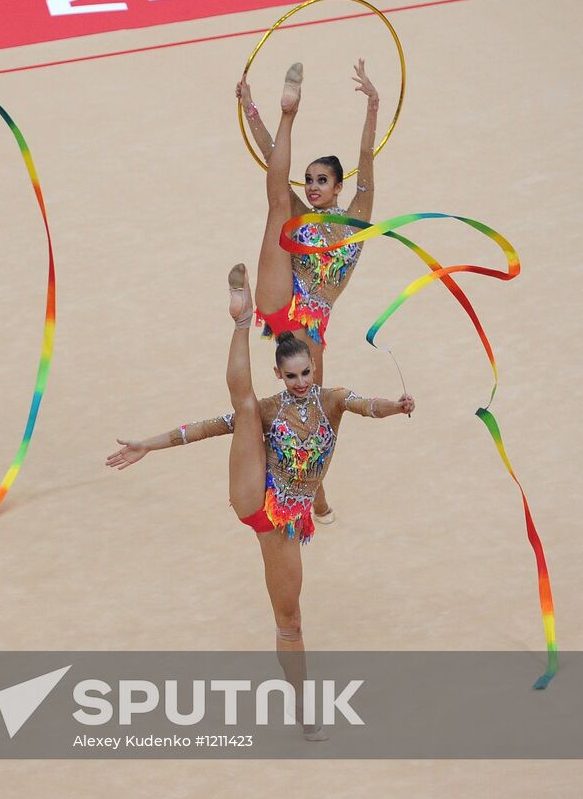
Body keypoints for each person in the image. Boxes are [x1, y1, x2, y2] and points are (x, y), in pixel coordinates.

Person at [106, 265, 413, 738]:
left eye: (306, 372)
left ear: (313, 365)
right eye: (290, 376)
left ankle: (302, 711)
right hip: (257, 497)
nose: (300, 382)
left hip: (282, 528)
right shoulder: (271, 408)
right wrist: (149, 443)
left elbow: (366, 405)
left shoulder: (331, 399)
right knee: (245, 407)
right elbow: (206, 427)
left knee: (290, 621)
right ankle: (241, 320)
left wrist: (396, 406)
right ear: (278, 373)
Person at [236, 59, 380, 521]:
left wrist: (374, 106)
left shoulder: (357, 219)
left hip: (313, 329)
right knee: (277, 197)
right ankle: (287, 108)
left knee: (315, 417)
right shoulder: (303, 212)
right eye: (312, 180)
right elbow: (273, 166)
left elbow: (367, 162)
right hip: (284, 304)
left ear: (339, 188)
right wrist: (251, 110)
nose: (314, 187)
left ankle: (315, 497)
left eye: (322, 181)